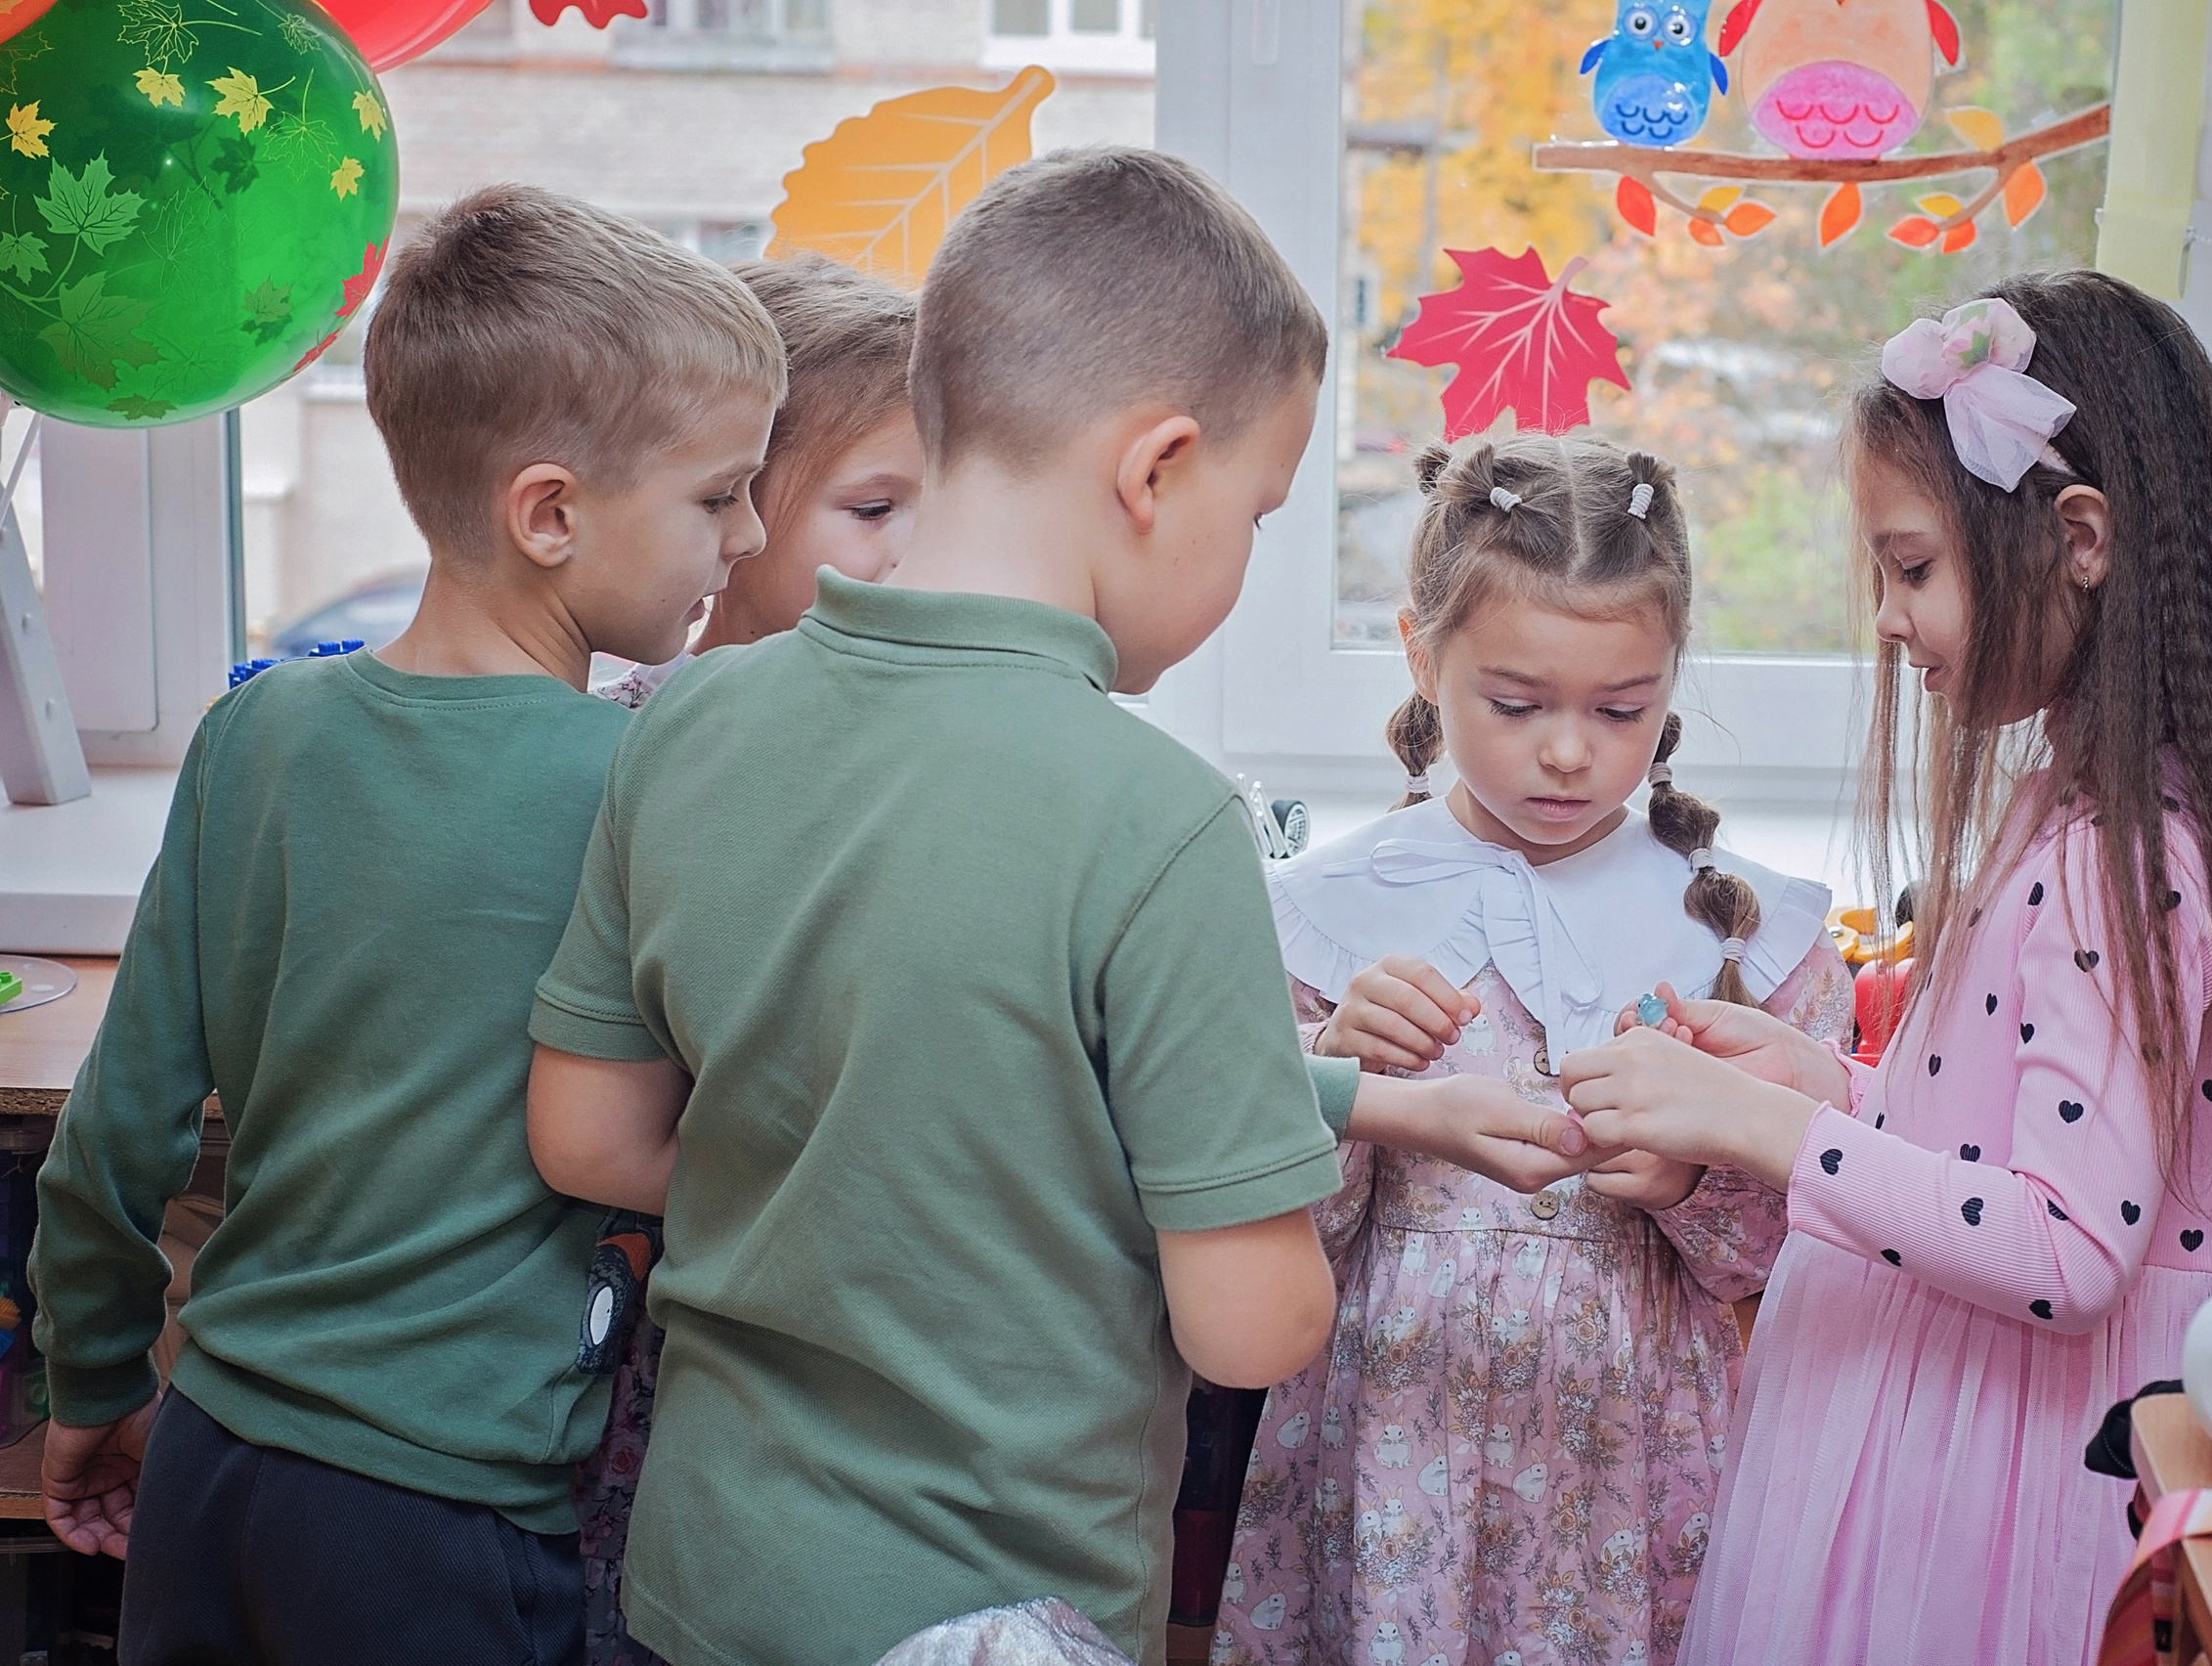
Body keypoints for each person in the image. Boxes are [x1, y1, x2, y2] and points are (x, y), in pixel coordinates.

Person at [521, 147, 1582, 1666]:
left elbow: (590, 1135)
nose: (1246, 555)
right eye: (1260, 512)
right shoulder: (1159, 825)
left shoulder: (691, 723)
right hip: (992, 1618)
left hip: (704, 1580)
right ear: (1154, 473)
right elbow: (1249, 1324)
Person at [27, 184, 785, 1663]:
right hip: (436, 1515)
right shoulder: (647, 779)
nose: (750, 537)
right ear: (551, 513)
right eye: (718, 495)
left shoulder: (253, 737)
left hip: (209, 1455)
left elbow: (118, 1128)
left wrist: (93, 1382)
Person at [1558, 274, 2212, 1665]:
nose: (1884, 617)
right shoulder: (2070, 806)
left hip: (2032, 1449)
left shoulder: (2132, 854)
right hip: (1981, 1410)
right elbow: (1999, 1128)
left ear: (2081, 541)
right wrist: (1820, 1077)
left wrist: (1768, 1128)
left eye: (1911, 566)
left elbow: (2062, 1245)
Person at [1216, 436, 1850, 1666]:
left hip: (1632, 1457)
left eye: (1622, 709)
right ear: (1421, 655)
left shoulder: (1746, 935)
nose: (1569, 752)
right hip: (1389, 1450)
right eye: (1516, 705)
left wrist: (1687, 1179)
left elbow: (1787, 1255)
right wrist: (1342, 1080)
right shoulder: (1320, 916)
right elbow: (1265, 1236)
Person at [576, 249, 919, 1666]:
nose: (920, 551)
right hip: (692, 1323)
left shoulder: (931, 746)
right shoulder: (656, 738)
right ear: (737, 510)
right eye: (877, 507)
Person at [594, 252, 921, 713]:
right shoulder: (623, 742)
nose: (924, 546)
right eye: (873, 509)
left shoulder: (937, 721)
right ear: (729, 501)